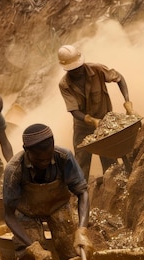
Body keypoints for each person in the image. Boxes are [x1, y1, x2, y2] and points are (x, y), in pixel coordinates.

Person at [3, 123, 94, 260]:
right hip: (27, 211)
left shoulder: (64, 157)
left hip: (58, 206)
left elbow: (82, 192)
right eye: (40, 160)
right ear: (26, 151)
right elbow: (8, 214)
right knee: (28, 252)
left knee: (70, 249)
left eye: (48, 158)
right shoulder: (14, 170)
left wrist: (82, 231)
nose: (45, 163)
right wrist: (34, 248)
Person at [57, 44, 135, 181]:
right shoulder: (64, 84)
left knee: (110, 163)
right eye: (73, 70)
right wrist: (92, 121)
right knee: (81, 163)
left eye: (78, 67)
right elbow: (74, 111)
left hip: (106, 123)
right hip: (83, 127)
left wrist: (127, 101)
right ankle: (81, 195)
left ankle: (111, 189)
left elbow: (119, 78)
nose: (77, 71)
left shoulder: (97, 69)